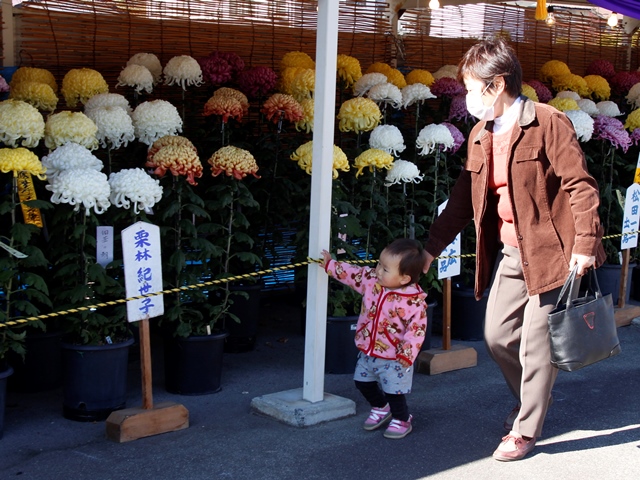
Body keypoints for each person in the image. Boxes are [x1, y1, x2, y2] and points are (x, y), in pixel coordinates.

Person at [422, 38, 605, 461]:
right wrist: (432, 248)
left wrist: (585, 244)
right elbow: (464, 198)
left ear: (497, 83)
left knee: (537, 346)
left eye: (471, 87)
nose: (467, 97)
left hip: (553, 252)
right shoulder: (479, 134)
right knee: (498, 336)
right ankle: (533, 399)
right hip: (510, 254)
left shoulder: (547, 121)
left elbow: (580, 186)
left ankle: (525, 428)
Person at [321, 238, 428, 439]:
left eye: (385, 269)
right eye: (379, 263)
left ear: (404, 278)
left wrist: (406, 354)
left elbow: (416, 330)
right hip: (368, 349)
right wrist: (330, 265)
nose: (378, 270)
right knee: (362, 382)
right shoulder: (372, 282)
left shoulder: (413, 302)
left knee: (394, 391)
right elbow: (354, 274)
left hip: (395, 357)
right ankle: (380, 407)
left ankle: (402, 419)